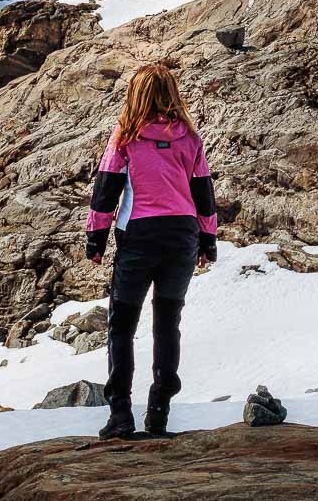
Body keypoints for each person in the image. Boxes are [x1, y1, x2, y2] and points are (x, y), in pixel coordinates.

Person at [85, 63, 218, 439]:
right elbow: (203, 194)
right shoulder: (190, 139)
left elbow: (106, 191)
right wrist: (208, 241)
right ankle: (159, 409)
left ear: (136, 96)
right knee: (167, 322)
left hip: (139, 236)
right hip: (182, 236)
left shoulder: (125, 137)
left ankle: (121, 415)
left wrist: (96, 240)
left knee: (122, 326)